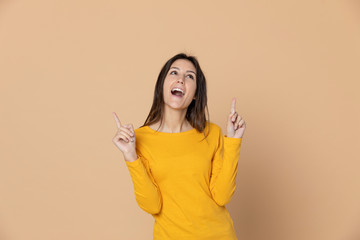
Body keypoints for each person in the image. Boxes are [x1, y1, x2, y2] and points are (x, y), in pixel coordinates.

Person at [112, 53, 246, 240]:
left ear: (196, 95)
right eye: (174, 73)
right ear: (162, 84)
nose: (181, 79)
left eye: (189, 76)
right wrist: (130, 155)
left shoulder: (212, 133)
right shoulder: (139, 139)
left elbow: (222, 196)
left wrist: (233, 141)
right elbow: (152, 205)